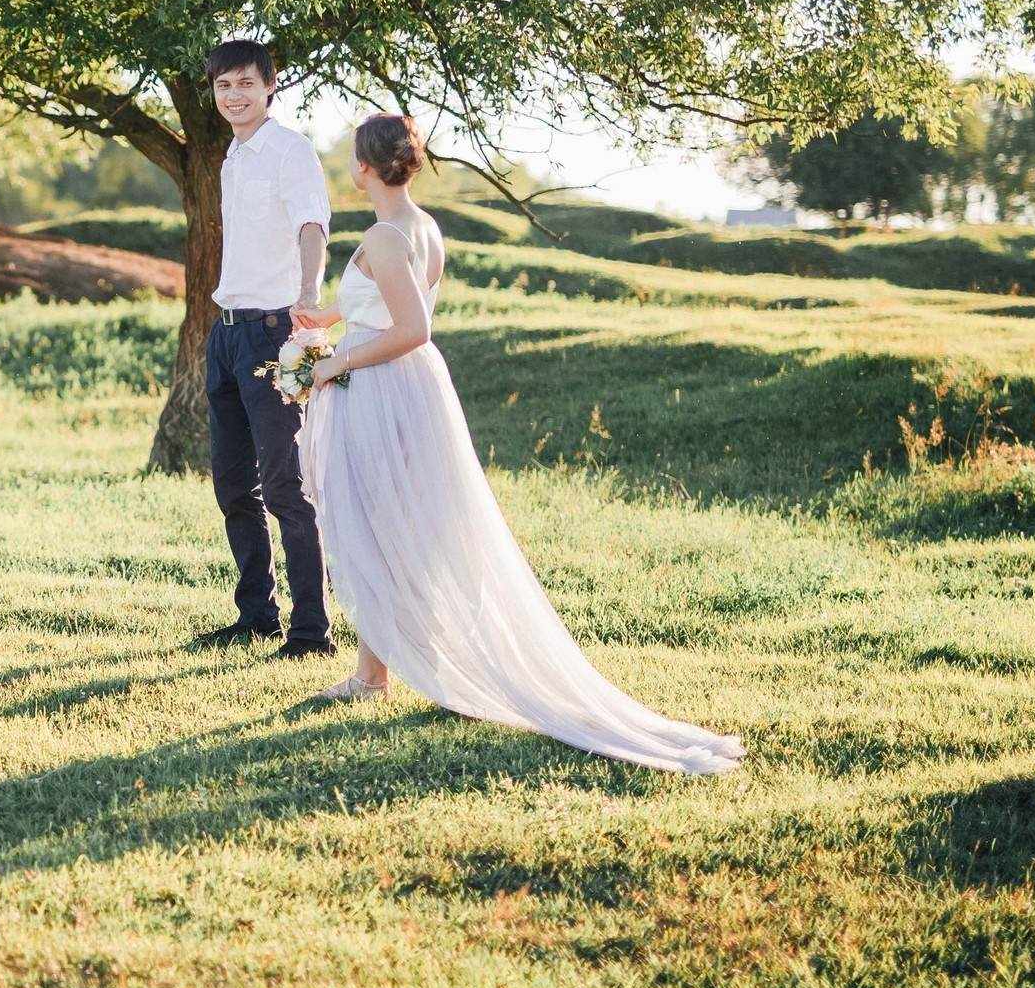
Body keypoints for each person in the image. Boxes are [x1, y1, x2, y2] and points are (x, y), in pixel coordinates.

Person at [293, 113, 743, 775]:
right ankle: (373, 672)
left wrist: (334, 364)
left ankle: (378, 673)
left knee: (378, 522)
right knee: (392, 522)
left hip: (385, 385)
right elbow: (390, 305)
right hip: (409, 387)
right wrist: (332, 319)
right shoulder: (422, 229)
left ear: (362, 167)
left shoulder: (386, 237)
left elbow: (412, 327)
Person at [192, 38, 335, 659]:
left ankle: (311, 631)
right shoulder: (232, 154)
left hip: (273, 330)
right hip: (225, 332)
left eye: (245, 83)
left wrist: (308, 291)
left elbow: (312, 223)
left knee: (283, 483)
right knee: (233, 485)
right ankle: (257, 615)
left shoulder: (289, 149)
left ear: (269, 86)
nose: (234, 96)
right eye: (224, 86)